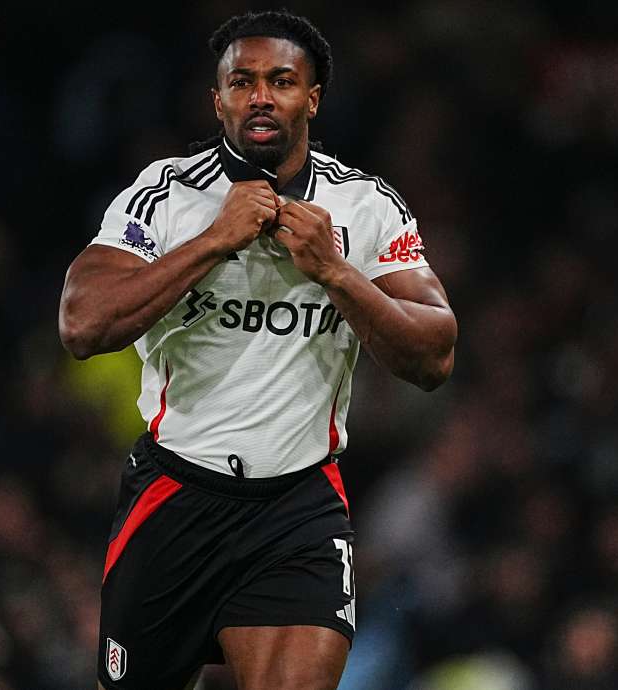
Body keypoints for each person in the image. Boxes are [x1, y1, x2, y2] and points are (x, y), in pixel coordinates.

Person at [57, 10, 457, 690]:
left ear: (314, 97)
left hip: (295, 511)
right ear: (217, 100)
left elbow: (436, 354)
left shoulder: (364, 207)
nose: (261, 96)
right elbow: (82, 323)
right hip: (175, 497)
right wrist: (213, 241)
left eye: (281, 80)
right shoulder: (167, 196)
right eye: (241, 82)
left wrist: (336, 273)